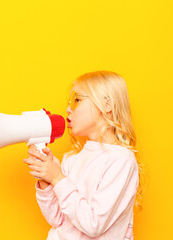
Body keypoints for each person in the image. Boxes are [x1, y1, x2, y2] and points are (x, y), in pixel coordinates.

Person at [23, 71, 144, 240]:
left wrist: (58, 178)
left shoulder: (121, 160)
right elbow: (57, 219)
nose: (68, 109)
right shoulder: (71, 159)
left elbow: (93, 224)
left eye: (77, 100)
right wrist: (47, 181)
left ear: (107, 105)